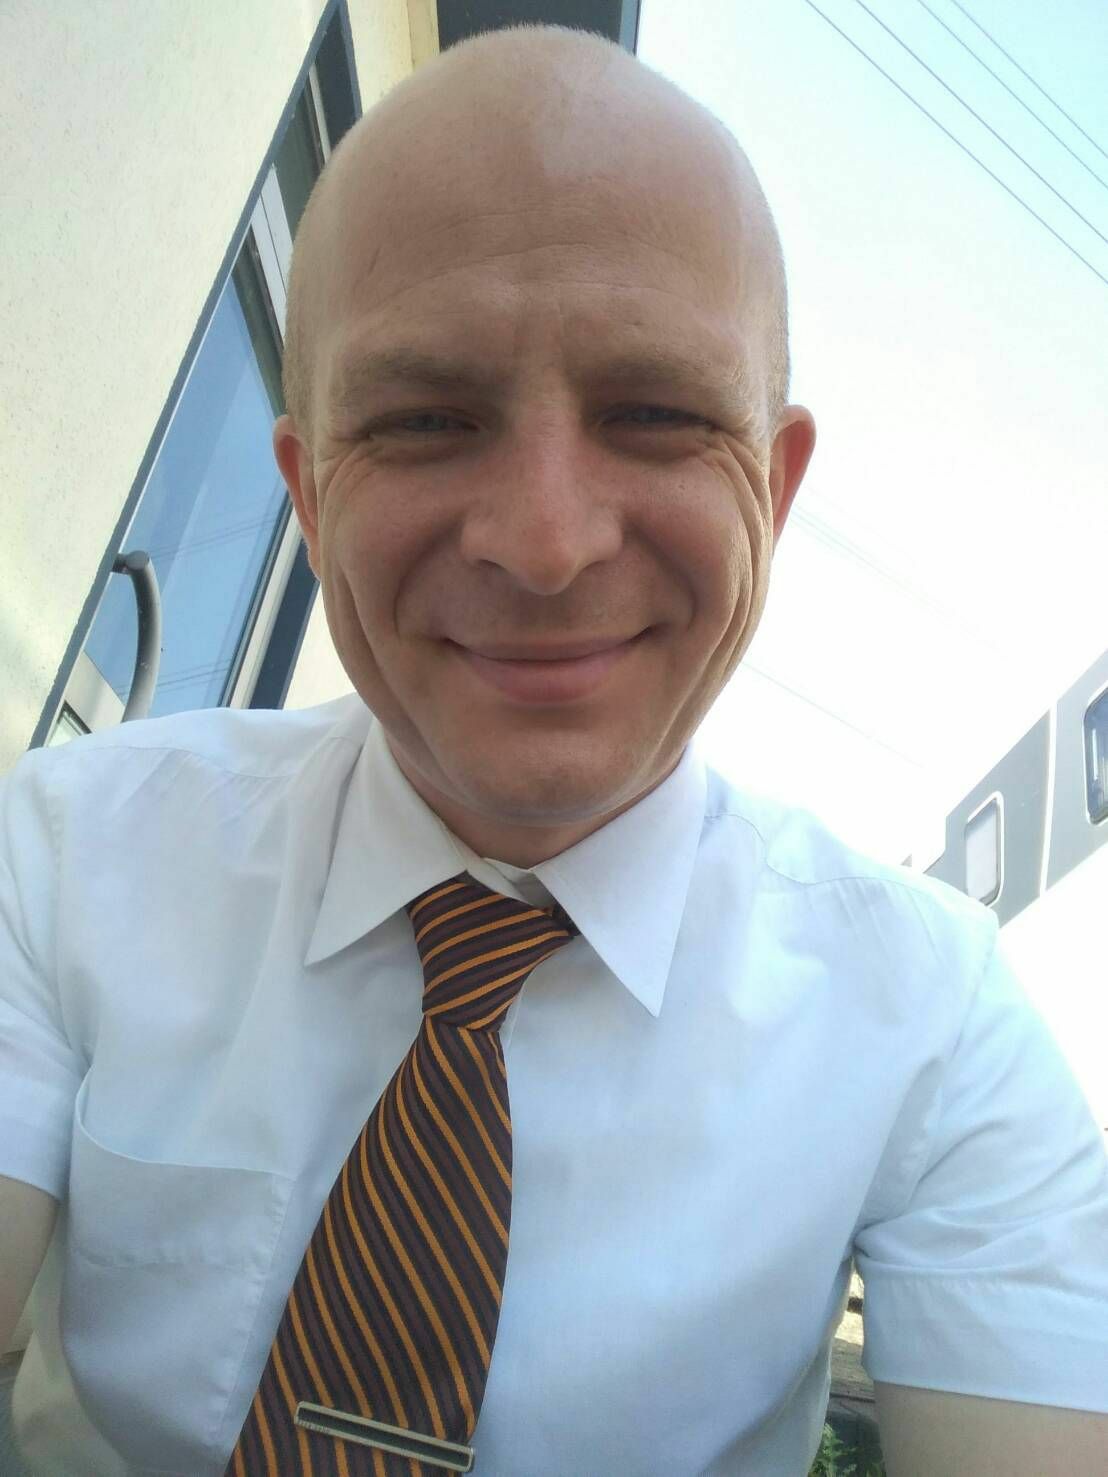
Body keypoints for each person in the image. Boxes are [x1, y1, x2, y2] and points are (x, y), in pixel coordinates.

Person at [1, 21, 1106, 1477]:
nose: (544, 542)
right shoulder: (68, 853)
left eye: (656, 414)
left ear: (774, 491)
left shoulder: (938, 1029)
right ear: (310, 499)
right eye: (423, 418)